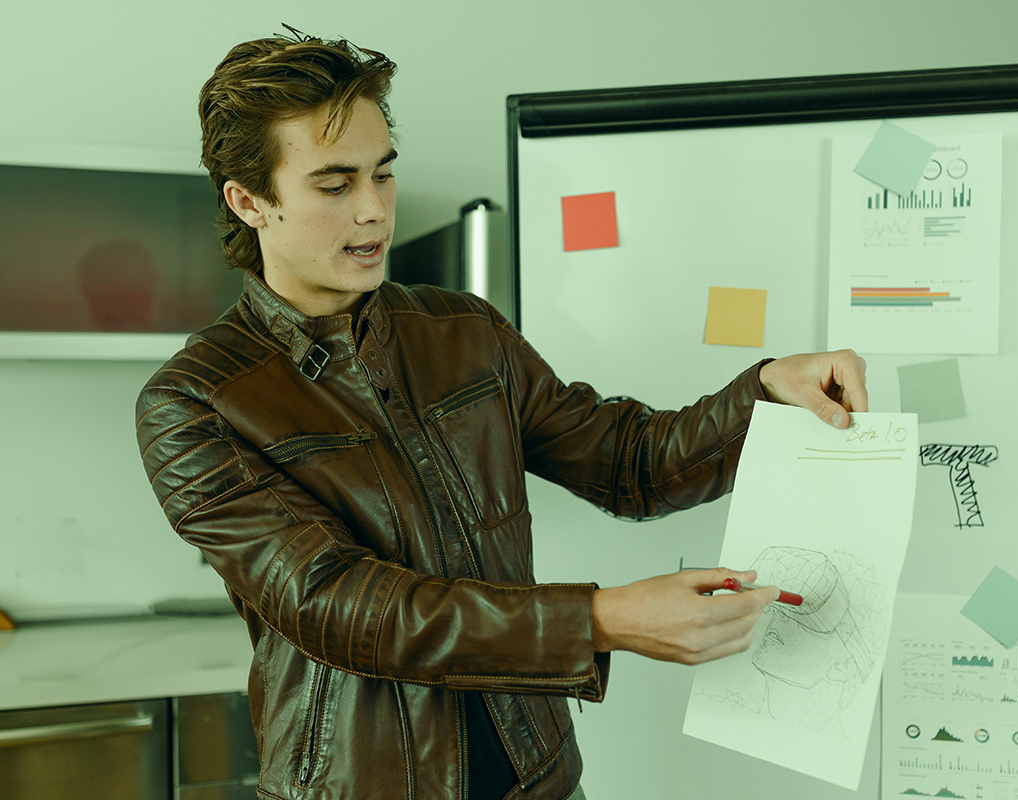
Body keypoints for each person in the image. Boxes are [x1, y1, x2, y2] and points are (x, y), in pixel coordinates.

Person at [135, 28, 867, 800]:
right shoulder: (194, 403)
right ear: (249, 200)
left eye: (382, 175)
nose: (373, 211)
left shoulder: (463, 330)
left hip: (540, 778)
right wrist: (597, 620)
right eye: (334, 184)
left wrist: (762, 391)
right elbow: (343, 606)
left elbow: (628, 463)